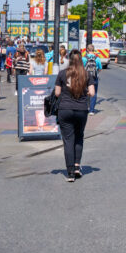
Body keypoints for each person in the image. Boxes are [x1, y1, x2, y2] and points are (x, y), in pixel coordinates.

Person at [53, 50, 95, 182]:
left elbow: (57, 93)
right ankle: (77, 166)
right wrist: (83, 93)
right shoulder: (86, 74)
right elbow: (92, 93)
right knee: (79, 138)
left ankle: (70, 172)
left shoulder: (62, 74)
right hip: (81, 110)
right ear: (81, 60)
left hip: (65, 110)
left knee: (68, 140)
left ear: (69, 60)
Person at [84, 44, 103, 114]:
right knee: (94, 93)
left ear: (87, 50)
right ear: (93, 50)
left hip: (85, 78)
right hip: (94, 78)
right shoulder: (97, 59)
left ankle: (84, 108)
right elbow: (100, 68)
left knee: (84, 93)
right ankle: (91, 110)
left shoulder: (84, 58)